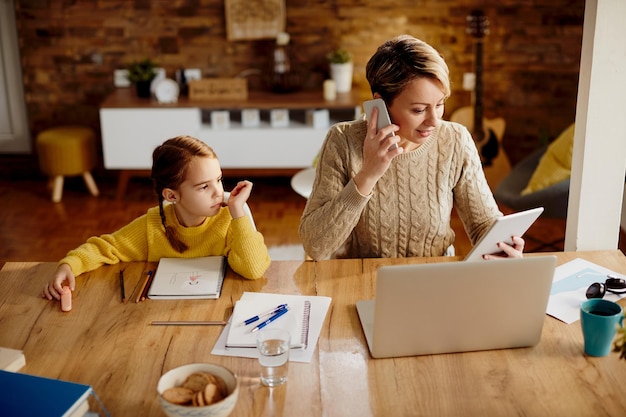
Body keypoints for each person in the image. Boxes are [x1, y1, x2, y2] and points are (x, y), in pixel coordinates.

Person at [299, 35, 524, 260]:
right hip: (363, 279)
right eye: (418, 110)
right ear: (381, 105)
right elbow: (316, 247)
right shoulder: (343, 141)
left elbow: (484, 224)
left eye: (439, 105)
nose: (434, 121)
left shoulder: (456, 140)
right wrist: (367, 175)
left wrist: (503, 246)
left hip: (436, 279)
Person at [42, 135, 271, 300]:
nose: (218, 192)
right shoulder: (152, 225)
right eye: (203, 187)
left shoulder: (229, 219)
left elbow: (254, 269)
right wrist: (69, 266)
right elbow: (106, 247)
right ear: (172, 195)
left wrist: (239, 213)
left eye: (219, 180)